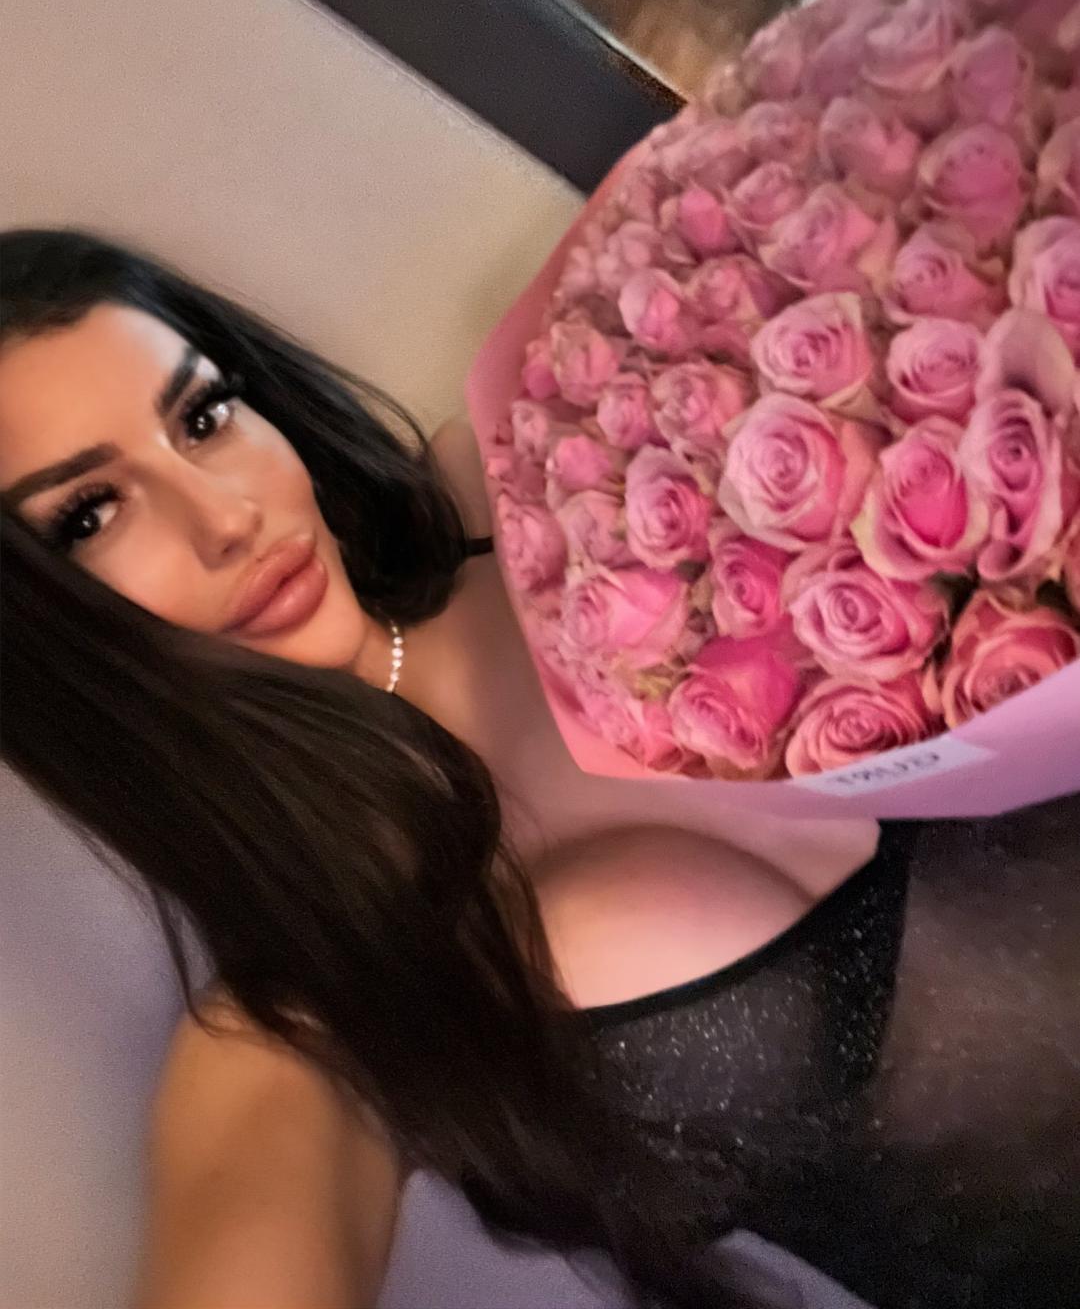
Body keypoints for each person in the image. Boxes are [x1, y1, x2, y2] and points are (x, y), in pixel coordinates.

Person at [2, 230, 1077, 1309]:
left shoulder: (527, 482)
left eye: (203, 416)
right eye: (91, 515)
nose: (227, 516)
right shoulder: (316, 1004)